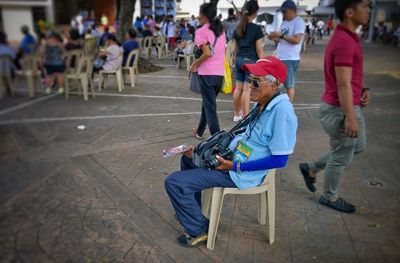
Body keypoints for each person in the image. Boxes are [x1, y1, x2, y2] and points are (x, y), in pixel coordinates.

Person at [165, 56, 298, 247]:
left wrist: (234, 165)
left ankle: (199, 230)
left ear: (275, 83)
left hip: (241, 172)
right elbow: (241, 137)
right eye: (249, 79)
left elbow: (280, 160)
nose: (249, 86)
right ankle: (192, 213)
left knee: (174, 182)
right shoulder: (263, 104)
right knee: (189, 159)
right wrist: (204, 150)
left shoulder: (282, 112)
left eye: (255, 82)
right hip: (232, 160)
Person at [299, 0, 371, 214]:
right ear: (350, 12)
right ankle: (329, 196)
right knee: (341, 156)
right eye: (365, 5)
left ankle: (311, 168)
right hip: (340, 110)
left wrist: (363, 90)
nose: (369, 10)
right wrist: (350, 116)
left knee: (356, 147)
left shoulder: (350, 37)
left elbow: (351, 76)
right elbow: (342, 83)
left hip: (349, 105)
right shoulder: (344, 42)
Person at [190, 3, 226, 139]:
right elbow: (224, 51)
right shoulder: (221, 31)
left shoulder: (201, 32)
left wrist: (195, 64)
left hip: (207, 74)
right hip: (219, 74)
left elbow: (207, 53)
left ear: (204, 16)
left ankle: (217, 141)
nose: (199, 17)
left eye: (200, 14)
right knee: (208, 103)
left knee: (210, 108)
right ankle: (199, 131)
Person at [232, 0, 264, 122]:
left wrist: (236, 58)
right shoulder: (256, 28)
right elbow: (259, 48)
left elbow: (234, 47)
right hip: (250, 61)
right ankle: (245, 117)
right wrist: (262, 63)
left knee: (238, 88)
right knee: (247, 89)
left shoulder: (239, 28)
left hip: (239, 59)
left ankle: (236, 114)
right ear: (255, 12)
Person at [268, 0, 305, 102]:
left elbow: (297, 40)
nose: (283, 14)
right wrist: (274, 37)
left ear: (292, 10)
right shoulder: (284, 23)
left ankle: (289, 108)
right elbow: (281, 39)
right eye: (282, 12)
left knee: (289, 85)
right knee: (275, 83)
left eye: (285, 12)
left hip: (290, 58)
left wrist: (280, 35)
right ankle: (277, 105)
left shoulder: (299, 22)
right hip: (280, 57)